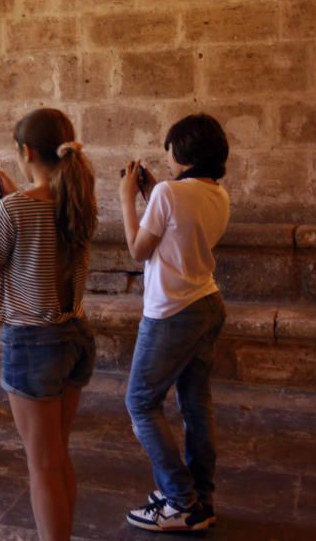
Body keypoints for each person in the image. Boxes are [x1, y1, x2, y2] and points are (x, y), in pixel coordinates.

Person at [0, 108, 98, 541]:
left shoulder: (14, 208)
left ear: (25, 151)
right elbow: (40, 210)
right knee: (57, 455)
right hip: (76, 335)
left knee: (40, 463)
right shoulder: (80, 199)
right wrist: (11, 198)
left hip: (33, 342)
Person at [120, 113, 230, 533]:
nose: (167, 162)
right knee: (195, 404)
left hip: (171, 312)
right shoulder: (218, 194)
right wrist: (154, 194)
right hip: (206, 302)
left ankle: (180, 500)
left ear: (183, 153)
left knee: (141, 403)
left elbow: (138, 249)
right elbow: (177, 232)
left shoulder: (168, 193)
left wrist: (129, 198)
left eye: (171, 153)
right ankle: (202, 497)